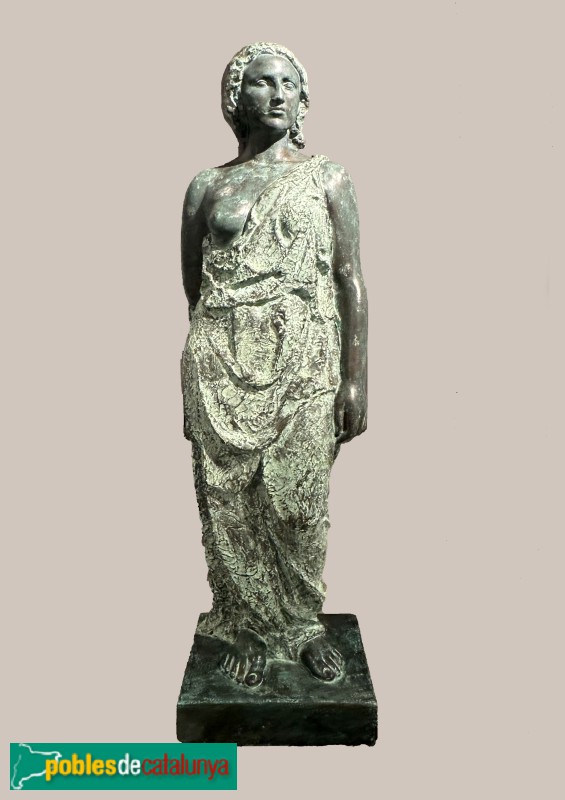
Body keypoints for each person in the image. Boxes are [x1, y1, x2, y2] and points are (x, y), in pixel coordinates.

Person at [181, 42, 367, 687]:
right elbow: (194, 282)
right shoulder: (209, 185)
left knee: (298, 501)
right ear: (237, 97)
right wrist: (218, 345)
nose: (278, 93)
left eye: (289, 83)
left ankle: (302, 622)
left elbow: (350, 280)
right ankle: (251, 625)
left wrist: (355, 377)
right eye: (262, 82)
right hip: (221, 362)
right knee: (229, 500)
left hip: (307, 359)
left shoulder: (328, 178)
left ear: (303, 99)